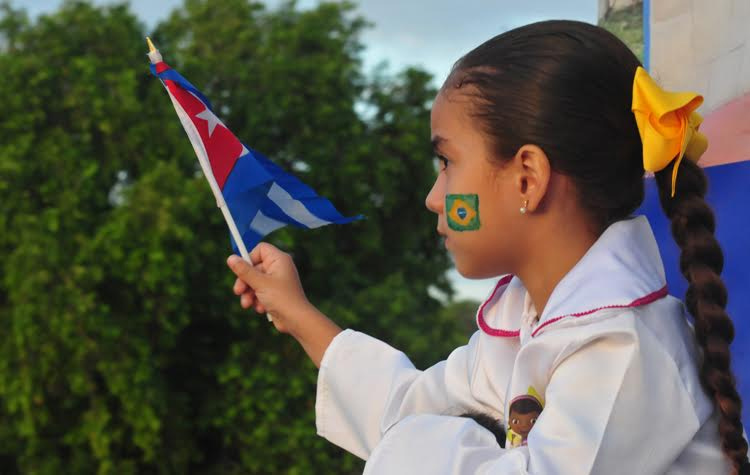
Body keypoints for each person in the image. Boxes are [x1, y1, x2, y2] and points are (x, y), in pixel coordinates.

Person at [226, 20, 749, 474]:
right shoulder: (523, 322)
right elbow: (405, 408)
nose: (434, 198)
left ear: (527, 178)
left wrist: (426, 445)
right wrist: (295, 312)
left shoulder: (623, 347)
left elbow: (413, 440)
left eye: (447, 163)